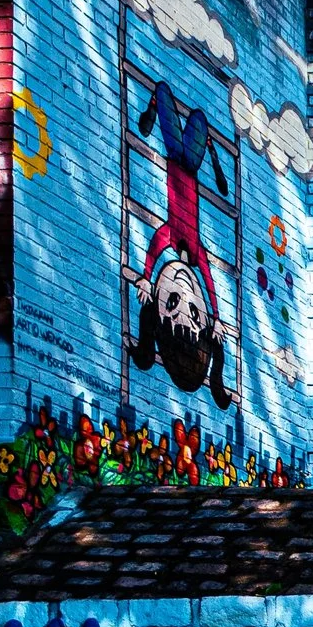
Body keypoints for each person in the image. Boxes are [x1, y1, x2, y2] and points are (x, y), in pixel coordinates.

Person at [127, 80, 236, 408]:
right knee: (200, 118)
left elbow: (154, 250)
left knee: (163, 90)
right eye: (192, 310)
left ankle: (151, 110)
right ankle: (151, 112)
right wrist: (215, 317)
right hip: (189, 161)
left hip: (176, 154)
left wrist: (147, 276)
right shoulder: (198, 250)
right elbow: (210, 284)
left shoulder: (173, 234)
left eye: (173, 305)